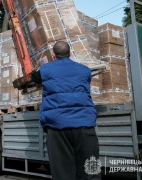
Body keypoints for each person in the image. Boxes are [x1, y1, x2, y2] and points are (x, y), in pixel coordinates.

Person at [31, 41, 100, 180]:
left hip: (57, 127)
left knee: (63, 173)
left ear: (53, 54)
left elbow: (34, 77)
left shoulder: (45, 70)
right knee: (91, 171)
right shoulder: (85, 70)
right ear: (70, 52)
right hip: (85, 125)